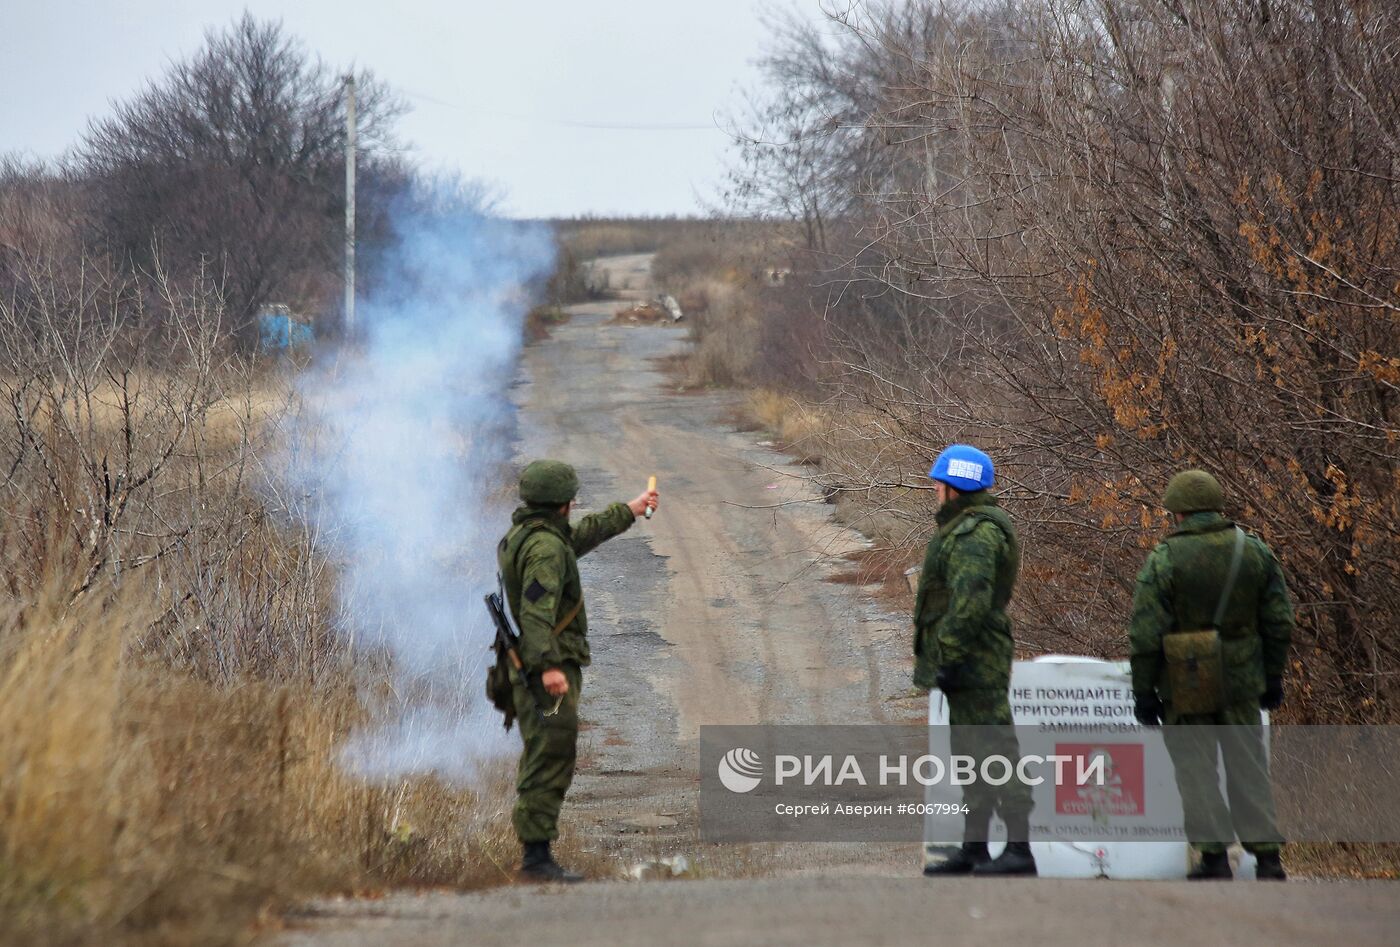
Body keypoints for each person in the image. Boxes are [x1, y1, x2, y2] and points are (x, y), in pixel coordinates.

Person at [1129, 469, 1294, 880]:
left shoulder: (1164, 559)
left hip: (1185, 679)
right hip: (1242, 677)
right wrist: (1271, 676)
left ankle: (1214, 858)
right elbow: (1279, 621)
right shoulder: (1253, 551)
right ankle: (1269, 859)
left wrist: (1144, 691)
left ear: (1177, 513)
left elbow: (1146, 633)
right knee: (1248, 765)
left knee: (1196, 768)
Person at [498, 459, 658, 882]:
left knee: (546, 751)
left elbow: (576, 540)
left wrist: (630, 509)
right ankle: (535, 858)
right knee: (550, 752)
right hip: (544, 668)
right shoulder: (546, 548)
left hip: (535, 664)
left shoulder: (532, 536)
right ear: (564, 503)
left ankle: (536, 852)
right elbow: (536, 615)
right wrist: (550, 667)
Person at [915, 444, 1036, 877]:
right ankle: (976, 846)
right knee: (971, 754)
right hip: (969, 654)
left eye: (939, 483)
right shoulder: (964, 528)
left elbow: (970, 602)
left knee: (995, 749)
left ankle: (1020, 849)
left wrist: (948, 654)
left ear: (955, 488)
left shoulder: (976, 534)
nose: (934, 489)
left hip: (975, 655)